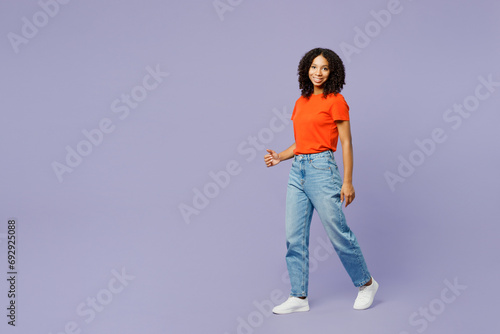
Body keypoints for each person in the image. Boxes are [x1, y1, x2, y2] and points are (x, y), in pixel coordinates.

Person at [264, 48, 378, 314]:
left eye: (324, 68)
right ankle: (298, 297)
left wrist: (347, 182)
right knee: (294, 237)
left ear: (332, 72)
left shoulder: (336, 100)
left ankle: (366, 284)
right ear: (306, 69)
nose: (318, 72)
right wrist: (280, 156)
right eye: (314, 67)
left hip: (323, 171)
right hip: (298, 171)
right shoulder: (300, 102)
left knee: (337, 233)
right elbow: (303, 142)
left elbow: (346, 143)